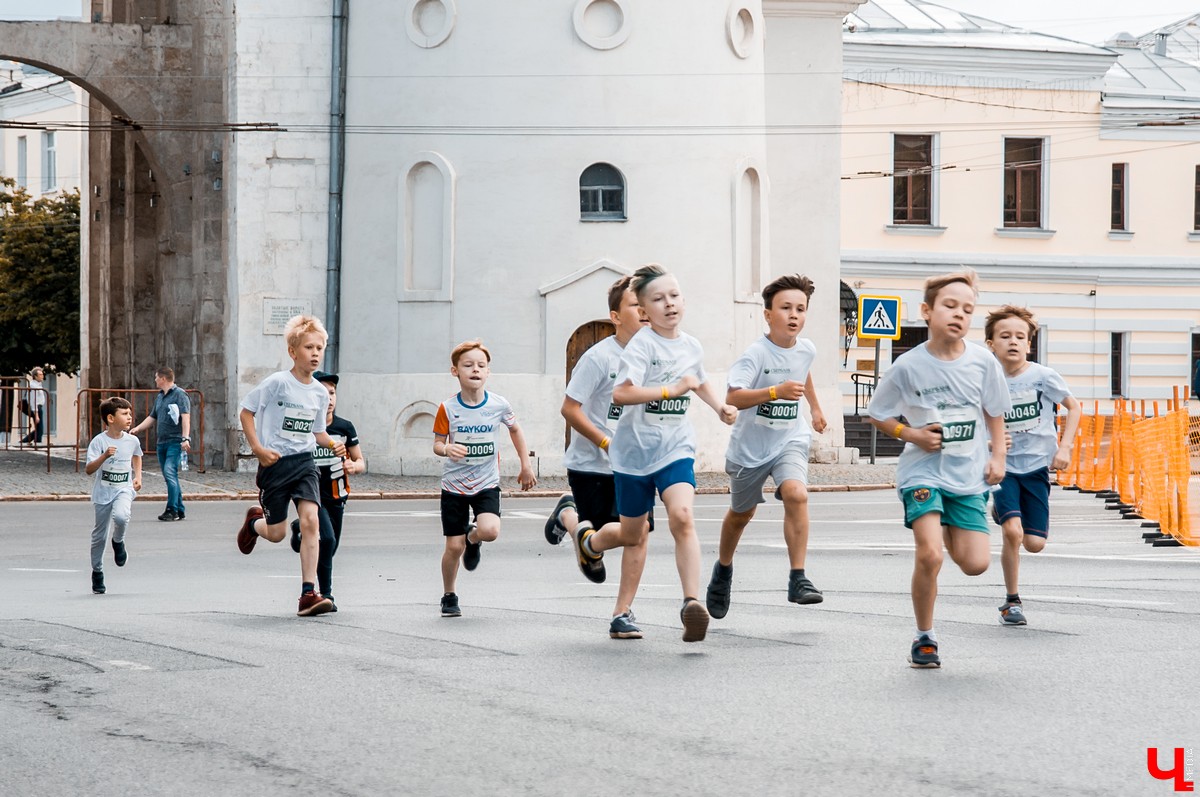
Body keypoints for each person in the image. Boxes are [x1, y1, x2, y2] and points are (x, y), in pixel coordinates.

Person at [571, 264, 736, 643]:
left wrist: (719, 407)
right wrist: (669, 390)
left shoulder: (691, 345)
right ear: (644, 310)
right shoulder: (641, 346)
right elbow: (622, 393)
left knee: (682, 516)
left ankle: (691, 604)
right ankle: (590, 543)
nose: (669, 304)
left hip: (675, 448)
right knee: (633, 534)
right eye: (658, 299)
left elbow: (697, 380)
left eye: (674, 296)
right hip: (633, 455)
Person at [867, 269, 1010, 668]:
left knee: (975, 564)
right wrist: (912, 434)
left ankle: (946, 519)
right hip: (923, 472)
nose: (959, 314)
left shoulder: (983, 362)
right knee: (930, 555)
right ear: (927, 311)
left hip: (968, 475)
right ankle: (924, 637)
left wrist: (998, 456)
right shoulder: (907, 366)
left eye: (967, 309)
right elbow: (878, 414)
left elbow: (995, 412)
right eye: (950, 305)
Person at [706, 274, 828, 620]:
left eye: (800, 309)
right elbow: (734, 396)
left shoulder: (807, 348)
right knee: (741, 515)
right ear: (768, 314)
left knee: (796, 494)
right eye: (786, 308)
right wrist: (775, 392)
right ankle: (723, 570)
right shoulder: (755, 354)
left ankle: (798, 577)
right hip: (751, 448)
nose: (794, 315)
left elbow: (802, 372)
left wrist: (815, 409)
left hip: (790, 438)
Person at [546, 275, 652, 639]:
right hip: (592, 466)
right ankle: (569, 518)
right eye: (636, 306)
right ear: (616, 316)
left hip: (636, 465)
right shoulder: (599, 358)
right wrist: (606, 442)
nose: (645, 311)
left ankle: (622, 613)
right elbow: (570, 409)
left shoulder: (656, 357)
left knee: (639, 533)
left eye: (648, 304)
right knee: (605, 528)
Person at [235, 315, 346, 618]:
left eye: (319, 348)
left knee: (311, 521)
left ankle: (308, 593)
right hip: (275, 464)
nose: (315, 353)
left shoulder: (320, 392)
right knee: (277, 534)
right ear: (293, 351)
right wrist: (258, 449)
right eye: (309, 347)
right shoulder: (278, 383)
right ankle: (254, 524)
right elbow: (246, 412)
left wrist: (332, 444)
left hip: (305, 463)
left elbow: (317, 431)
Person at [985, 305, 1082, 626]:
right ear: (991, 344)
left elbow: (1073, 407)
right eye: (1005, 336)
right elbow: (976, 417)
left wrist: (1064, 447)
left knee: (1035, 544)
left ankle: (1005, 513)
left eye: (1019, 337)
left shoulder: (1043, 377)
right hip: (1004, 468)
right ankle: (1011, 601)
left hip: (1037, 466)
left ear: (1029, 344)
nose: (1012, 341)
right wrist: (990, 443)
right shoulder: (986, 380)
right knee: (1012, 532)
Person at [433, 340, 537, 617]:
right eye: (468, 365)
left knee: (490, 531)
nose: (475, 370)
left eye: (481, 365)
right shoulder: (447, 408)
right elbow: (437, 444)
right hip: (454, 486)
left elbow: (515, 430)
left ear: (488, 372)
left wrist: (526, 465)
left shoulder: (498, 404)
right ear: (455, 371)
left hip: (486, 483)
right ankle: (449, 595)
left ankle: (473, 537)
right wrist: (447, 449)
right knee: (453, 547)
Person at [288, 370, 365, 612]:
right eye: (323, 393)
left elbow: (361, 461)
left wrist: (353, 466)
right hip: (311, 495)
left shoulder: (345, 427)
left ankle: (301, 531)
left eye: (332, 393)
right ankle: (327, 593)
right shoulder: (306, 427)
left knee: (330, 546)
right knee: (327, 539)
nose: (329, 399)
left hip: (337, 496)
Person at [84, 397, 143, 595]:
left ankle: (118, 541)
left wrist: (138, 476)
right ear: (110, 418)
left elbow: (137, 455)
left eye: (130, 413)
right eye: (124, 414)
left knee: (121, 516)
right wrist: (104, 456)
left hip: (124, 489)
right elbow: (89, 470)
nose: (129, 417)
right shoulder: (99, 442)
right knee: (99, 536)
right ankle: (97, 571)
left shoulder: (132, 440)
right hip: (103, 493)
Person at [130, 367, 191, 521]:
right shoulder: (160, 397)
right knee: (169, 476)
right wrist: (138, 428)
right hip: (161, 442)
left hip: (175, 442)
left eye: (156, 377)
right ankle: (180, 509)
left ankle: (172, 510)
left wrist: (185, 438)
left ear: (163, 378)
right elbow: (152, 417)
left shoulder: (180, 395)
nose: (155, 380)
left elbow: (186, 417)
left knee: (170, 473)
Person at [21, 366, 46, 445]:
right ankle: (36, 443)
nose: (42, 376)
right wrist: (36, 414)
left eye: (42, 374)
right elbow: (33, 401)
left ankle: (24, 441)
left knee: (39, 429)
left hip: (38, 407)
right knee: (40, 429)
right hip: (36, 408)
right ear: (35, 376)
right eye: (40, 375)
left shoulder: (38, 384)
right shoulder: (33, 385)